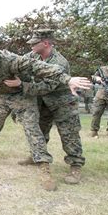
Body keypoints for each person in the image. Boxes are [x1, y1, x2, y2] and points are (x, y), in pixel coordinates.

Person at [0, 40, 91, 191]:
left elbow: (38, 67)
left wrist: (67, 79)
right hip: (2, 97)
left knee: (32, 129)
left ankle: (44, 168)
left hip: (21, 96)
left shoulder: (12, 60)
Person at [15, 29, 86, 184]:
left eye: (35, 43)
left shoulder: (60, 63)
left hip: (63, 103)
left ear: (46, 43)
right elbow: (18, 62)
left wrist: (21, 85)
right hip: (43, 103)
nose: (31, 46)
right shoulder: (32, 56)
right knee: (39, 131)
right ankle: (36, 156)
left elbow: (45, 87)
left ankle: (75, 166)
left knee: (69, 135)